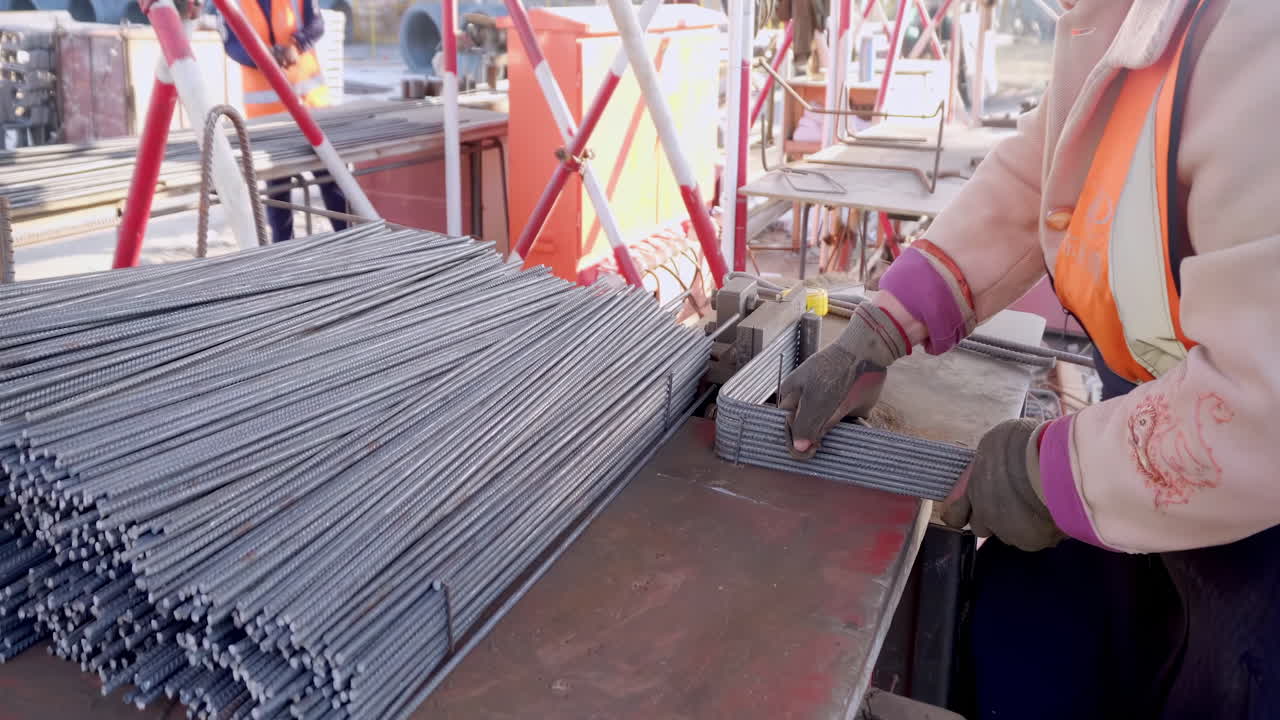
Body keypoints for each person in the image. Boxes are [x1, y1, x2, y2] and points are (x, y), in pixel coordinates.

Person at [778, 0, 1279, 717]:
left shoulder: (1260, 38)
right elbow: (1048, 172)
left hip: (1259, 524)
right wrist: (886, 322)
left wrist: (1055, 473)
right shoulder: (1126, 19)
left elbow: (1263, 405)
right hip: (1171, 437)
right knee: (1030, 618)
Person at [221, 0, 349, 242]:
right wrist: (261, 57)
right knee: (279, 191)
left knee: (331, 181)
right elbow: (231, 44)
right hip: (268, 114)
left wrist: (296, 44)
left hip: (309, 105)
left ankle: (351, 243)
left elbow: (316, 24)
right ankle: (284, 251)